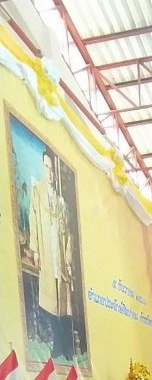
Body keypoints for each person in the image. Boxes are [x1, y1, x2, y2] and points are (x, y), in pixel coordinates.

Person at [29, 147, 74, 361]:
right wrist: (35, 249)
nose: (49, 173)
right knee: (50, 300)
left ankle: (65, 346)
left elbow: (68, 234)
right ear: (42, 166)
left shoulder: (60, 201)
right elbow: (33, 219)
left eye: (52, 169)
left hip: (60, 257)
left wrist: (68, 259)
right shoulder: (37, 191)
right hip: (47, 253)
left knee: (63, 302)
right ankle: (57, 344)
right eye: (46, 167)